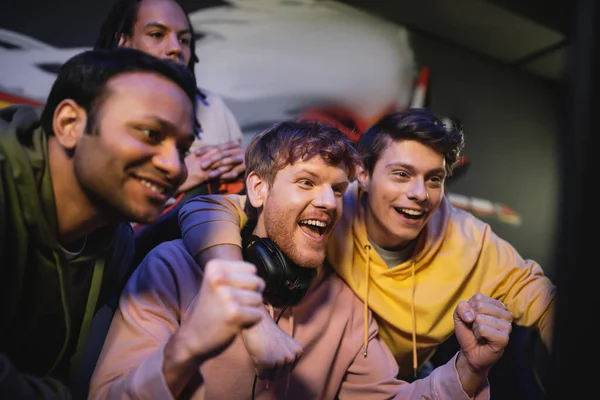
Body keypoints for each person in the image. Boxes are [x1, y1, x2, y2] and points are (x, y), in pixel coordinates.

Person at [89, 120, 513, 399]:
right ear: (258, 190)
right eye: (307, 182)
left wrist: (468, 371)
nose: (327, 202)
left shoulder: (349, 309)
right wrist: (185, 349)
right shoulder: (174, 269)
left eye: (337, 188)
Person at [175, 109, 556, 382]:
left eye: (434, 179)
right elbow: (208, 210)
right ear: (365, 174)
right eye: (402, 174)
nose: (419, 194)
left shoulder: (471, 240)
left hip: (398, 380)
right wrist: (244, 305)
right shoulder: (331, 205)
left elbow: (544, 299)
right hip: (322, 363)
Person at [0, 47, 197, 398]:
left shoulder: (116, 242)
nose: (175, 167)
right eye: (151, 134)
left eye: (182, 149)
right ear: (69, 124)